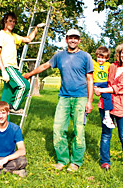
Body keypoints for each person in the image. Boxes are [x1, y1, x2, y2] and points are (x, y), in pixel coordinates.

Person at [23, 29, 93, 172]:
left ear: (79, 40)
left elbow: (90, 79)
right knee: (58, 129)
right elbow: (45, 66)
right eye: (70, 38)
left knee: (79, 131)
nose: (73, 40)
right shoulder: (59, 56)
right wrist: (30, 74)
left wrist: (90, 101)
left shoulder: (86, 57)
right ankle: (62, 160)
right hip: (64, 98)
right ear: (66, 39)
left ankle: (76, 162)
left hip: (81, 97)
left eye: (76, 38)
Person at [93, 42, 123, 170]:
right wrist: (95, 86)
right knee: (106, 134)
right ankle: (105, 162)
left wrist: (101, 90)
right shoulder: (112, 66)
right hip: (106, 104)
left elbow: (120, 88)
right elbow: (100, 75)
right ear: (119, 54)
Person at [0, 12, 45, 114]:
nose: (12, 23)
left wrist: (36, 29)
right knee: (24, 85)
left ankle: (3, 126)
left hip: (14, 68)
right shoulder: (0, 35)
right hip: (8, 67)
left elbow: (28, 39)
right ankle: (14, 107)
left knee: (6, 99)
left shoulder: (13, 36)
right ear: (5, 21)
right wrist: (3, 70)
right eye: (10, 21)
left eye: (14, 22)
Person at [93, 46, 114, 129]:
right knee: (86, 93)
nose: (100, 60)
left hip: (105, 84)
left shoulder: (108, 65)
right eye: (98, 57)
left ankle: (107, 116)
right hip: (96, 83)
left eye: (102, 58)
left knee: (107, 97)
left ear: (107, 58)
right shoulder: (94, 63)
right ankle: (84, 112)